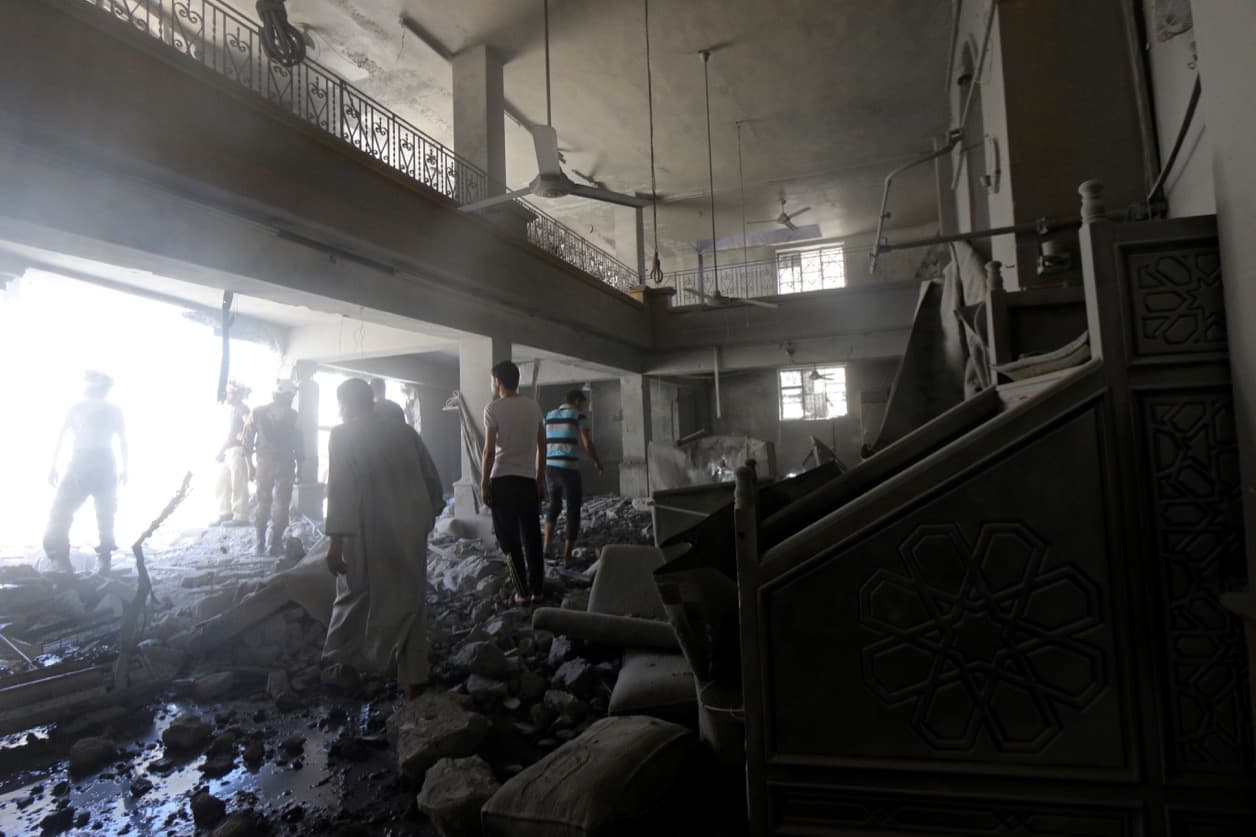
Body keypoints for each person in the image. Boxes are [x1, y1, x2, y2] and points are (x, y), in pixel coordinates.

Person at [322, 377, 444, 700]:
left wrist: (335, 543)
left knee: (354, 594)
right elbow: (433, 481)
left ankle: (342, 666)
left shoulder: (342, 435)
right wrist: (426, 518)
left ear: (346, 404)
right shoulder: (405, 432)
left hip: (367, 530)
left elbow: (340, 491)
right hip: (409, 528)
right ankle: (412, 680)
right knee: (410, 597)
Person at [43, 370, 128, 575]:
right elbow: (123, 441)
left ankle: (61, 560)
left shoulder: (79, 408)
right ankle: (100, 560)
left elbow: (61, 436)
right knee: (105, 513)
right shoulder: (107, 409)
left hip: (86, 461)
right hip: (102, 462)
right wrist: (125, 468)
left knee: (64, 510)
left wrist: (53, 465)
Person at [480, 360, 546, 605]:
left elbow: (488, 451)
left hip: (502, 481)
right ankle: (538, 590)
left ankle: (522, 592)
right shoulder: (533, 407)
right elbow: (542, 445)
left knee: (508, 540)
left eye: (491, 380)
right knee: (531, 536)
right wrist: (540, 479)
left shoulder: (493, 409)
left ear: (498, 382)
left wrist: (484, 484)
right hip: (527, 481)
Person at [543, 389, 604, 564]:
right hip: (569, 469)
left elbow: (541, 440)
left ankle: (546, 547)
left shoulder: (549, 416)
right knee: (573, 510)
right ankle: (567, 556)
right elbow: (586, 442)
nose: (583, 406)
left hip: (550, 469)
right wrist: (597, 461)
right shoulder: (578, 415)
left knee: (554, 506)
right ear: (577, 401)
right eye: (583, 403)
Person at [244, 380, 303, 557]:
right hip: (286, 465)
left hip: (264, 464)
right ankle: (275, 545)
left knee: (263, 503)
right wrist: (300, 470)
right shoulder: (294, 416)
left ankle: (259, 544)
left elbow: (246, 442)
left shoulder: (257, 412)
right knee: (282, 504)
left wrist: (250, 467)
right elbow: (300, 446)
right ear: (288, 396)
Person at [214, 380, 251, 526]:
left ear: (236, 395)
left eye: (229, 393)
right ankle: (225, 513)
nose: (227, 395)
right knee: (222, 482)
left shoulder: (242, 408)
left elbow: (249, 422)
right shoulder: (233, 410)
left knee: (238, 483)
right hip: (230, 451)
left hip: (237, 451)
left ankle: (241, 516)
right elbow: (230, 434)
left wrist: (244, 434)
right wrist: (222, 450)